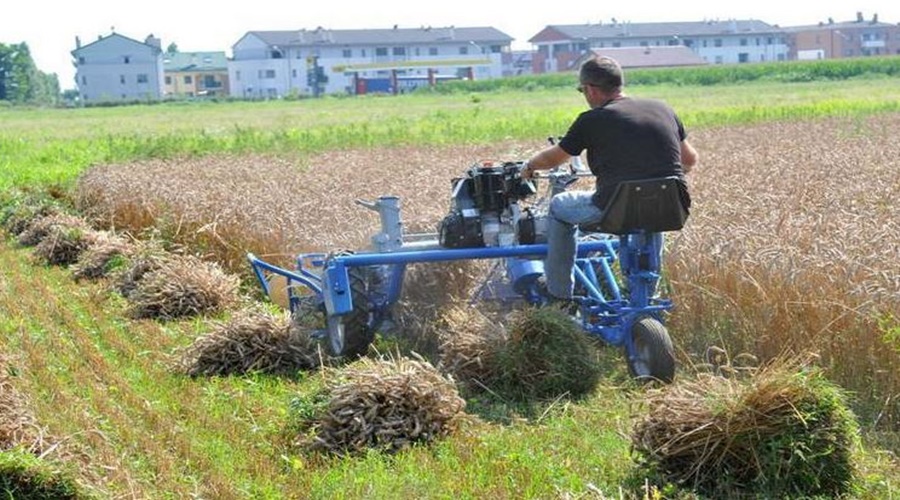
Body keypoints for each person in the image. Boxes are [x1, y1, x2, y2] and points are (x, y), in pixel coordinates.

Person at [522, 56, 699, 301]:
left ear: (591, 90)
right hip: (674, 206)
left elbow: (554, 158)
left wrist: (529, 166)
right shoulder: (662, 109)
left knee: (558, 207)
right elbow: (689, 159)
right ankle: (648, 294)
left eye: (581, 90)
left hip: (614, 207)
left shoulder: (592, 120)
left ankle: (559, 294)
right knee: (652, 209)